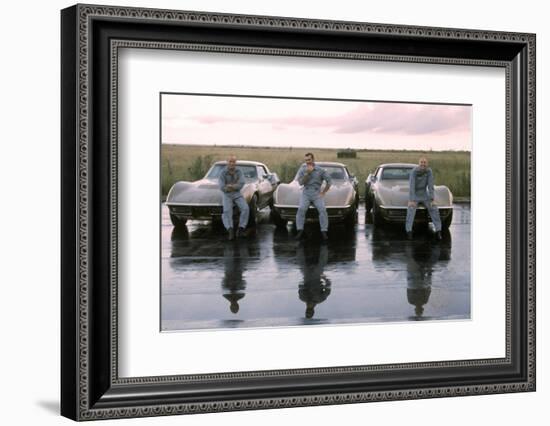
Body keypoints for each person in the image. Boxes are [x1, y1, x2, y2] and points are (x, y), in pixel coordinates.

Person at [295, 153, 332, 241]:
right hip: (306, 192)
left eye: (309, 160)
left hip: (317, 193)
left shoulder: (320, 170)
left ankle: (324, 231)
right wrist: (307, 173)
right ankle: (300, 230)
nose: (307, 162)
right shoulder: (302, 169)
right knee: (301, 209)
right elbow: (300, 183)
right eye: (306, 160)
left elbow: (329, 181)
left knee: (322, 210)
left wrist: (323, 192)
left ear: (313, 160)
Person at [406, 157, 442, 240]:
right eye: (421, 162)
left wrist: (432, 199)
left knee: (434, 208)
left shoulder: (429, 171)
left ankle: (438, 231)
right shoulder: (414, 172)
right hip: (415, 194)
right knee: (411, 208)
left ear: (427, 164)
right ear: (419, 163)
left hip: (424, 194)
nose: (423, 164)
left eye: (424, 162)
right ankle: (409, 231)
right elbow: (411, 186)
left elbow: (430, 185)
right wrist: (411, 200)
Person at [218, 155, 249, 240]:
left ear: (236, 163)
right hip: (226, 194)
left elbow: (241, 183)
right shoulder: (222, 173)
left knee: (245, 208)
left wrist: (232, 186)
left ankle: (241, 229)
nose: (232, 163)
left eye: (233, 162)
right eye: (230, 161)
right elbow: (221, 186)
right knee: (227, 211)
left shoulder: (239, 171)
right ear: (227, 162)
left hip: (237, 194)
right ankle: (230, 230)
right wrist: (233, 186)